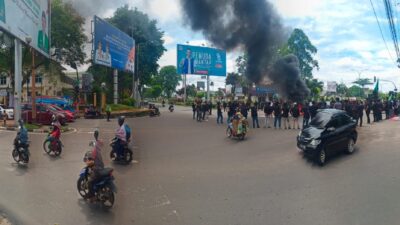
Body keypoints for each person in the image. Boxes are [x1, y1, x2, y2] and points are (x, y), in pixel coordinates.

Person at [85, 130, 105, 201]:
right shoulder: (98, 143)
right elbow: (98, 143)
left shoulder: (95, 150)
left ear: (95, 135)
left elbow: (92, 159)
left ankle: (92, 196)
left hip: (98, 169)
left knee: (90, 182)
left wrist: (88, 162)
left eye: (95, 134)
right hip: (102, 166)